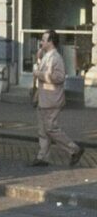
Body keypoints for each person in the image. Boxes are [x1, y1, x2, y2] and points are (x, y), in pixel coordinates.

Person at [29, 30, 84, 167]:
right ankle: (42, 157)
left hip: (52, 100)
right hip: (43, 99)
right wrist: (39, 59)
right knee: (42, 130)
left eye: (43, 40)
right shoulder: (46, 55)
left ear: (51, 42)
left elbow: (59, 78)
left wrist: (39, 74)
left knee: (51, 129)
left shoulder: (56, 58)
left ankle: (74, 149)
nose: (41, 42)